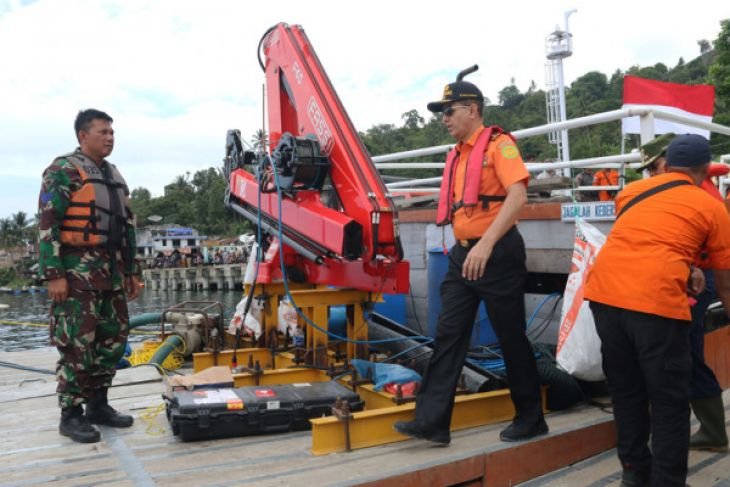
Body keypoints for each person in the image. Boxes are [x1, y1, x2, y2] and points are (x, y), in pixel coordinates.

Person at [393, 74, 546, 445]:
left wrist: (486, 244)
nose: (444, 118)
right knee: (447, 334)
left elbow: (517, 196)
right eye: (442, 112)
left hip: (497, 252)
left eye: (449, 111)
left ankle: (530, 418)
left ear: (473, 110)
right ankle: (432, 422)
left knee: (510, 336)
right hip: (464, 254)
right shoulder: (459, 155)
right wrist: (468, 246)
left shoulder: (499, 145)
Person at [584, 134, 730, 486]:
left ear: (663, 165)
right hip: (655, 305)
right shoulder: (712, 206)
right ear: (703, 170)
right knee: (669, 403)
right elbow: (725, 281)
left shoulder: (630, 193)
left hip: (604, 297)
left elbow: (645, 239)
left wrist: (689, 269)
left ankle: (633, 473)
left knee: (627, 392)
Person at [38, 109, 140, 444]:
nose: (110, 137)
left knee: (111, 341)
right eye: (103, 132)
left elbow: (127, 228)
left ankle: (99, 405)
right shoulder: (63, 170)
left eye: (112, 132)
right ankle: (71, 415)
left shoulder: (113, 174)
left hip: (110, 272)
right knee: (77, 346)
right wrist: (54, 274)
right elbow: (47, 225)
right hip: (76, 273)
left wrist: (131, 271)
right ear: (83, 135)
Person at [638, 133, 729, 453]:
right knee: (683, 355)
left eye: (654, 168)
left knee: (687, 355)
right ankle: (710, 429)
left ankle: (713, 431)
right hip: (686, 278)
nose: (652, 175)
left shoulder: (699, 193)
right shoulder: (688, 189)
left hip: (696, 284)